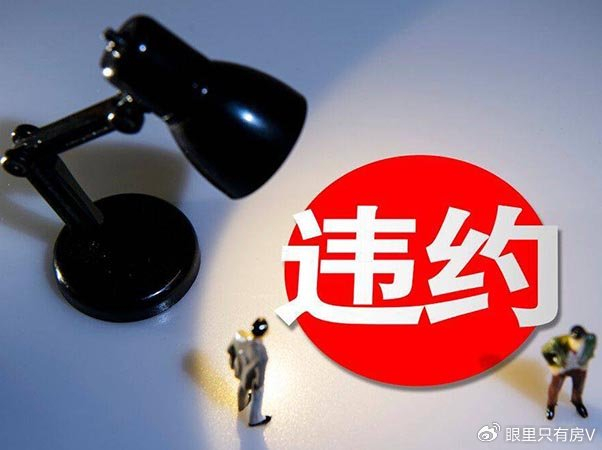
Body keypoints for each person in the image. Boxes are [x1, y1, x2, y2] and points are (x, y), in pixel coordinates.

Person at [542, 325, 596, 420]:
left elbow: (590, 347)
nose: (577, 343)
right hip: (562, 369)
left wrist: (585, 361)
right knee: (555, 388)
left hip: (579, 368)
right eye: (575, 340)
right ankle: (551, 405)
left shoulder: (590, 340)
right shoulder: (558, 342)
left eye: (580, 340)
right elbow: (546, 350)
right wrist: (554, 364)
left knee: (578, 387)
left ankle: (577, 401)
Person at [227, 318, 271, 426]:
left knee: (243, 388)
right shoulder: (261, 351)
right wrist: (259, 385)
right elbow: (260, 370)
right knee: (258, 395)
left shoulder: (241, 339)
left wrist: (233, 364)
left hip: (242, 373)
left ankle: (241, 405)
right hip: (253, 377)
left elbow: (231, 349)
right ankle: (255, 419)